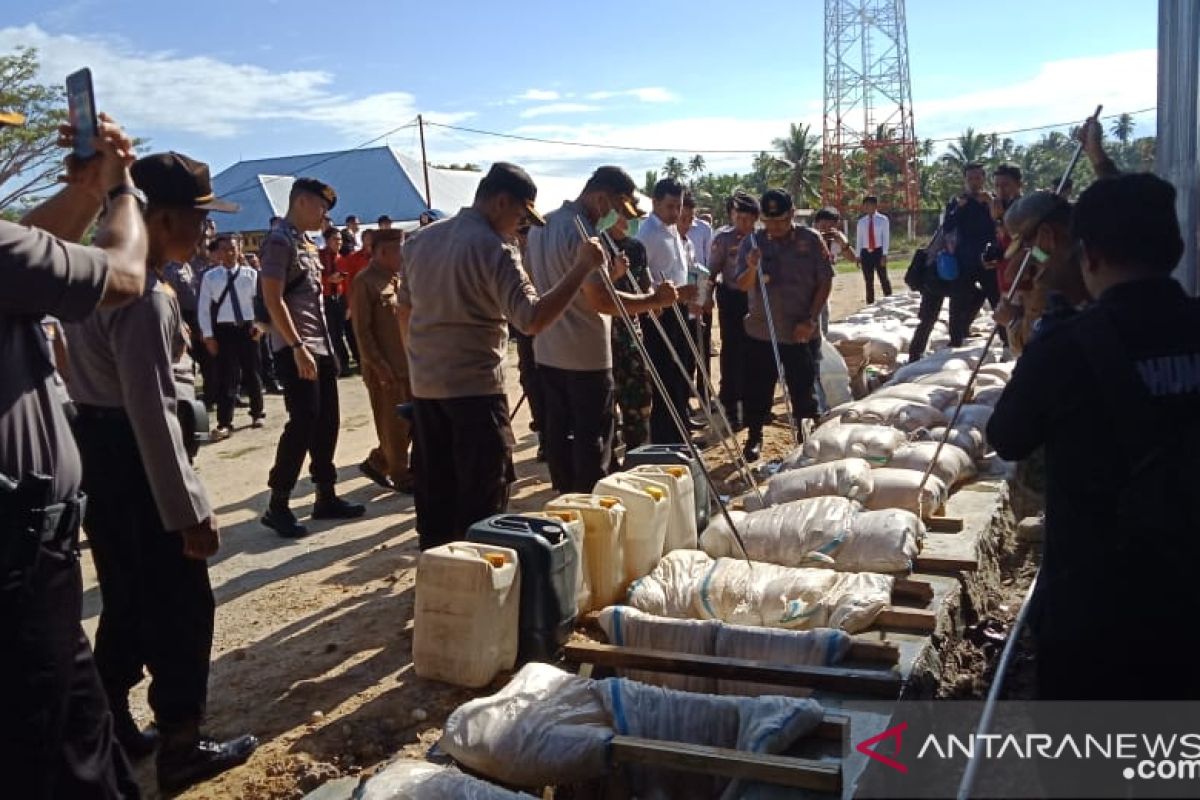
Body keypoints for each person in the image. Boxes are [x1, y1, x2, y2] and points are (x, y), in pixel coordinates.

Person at [66, 151, 259, 793]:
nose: (205, 235)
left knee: (126, 595)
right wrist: (189, 511)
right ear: (166, 218)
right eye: (199, 221)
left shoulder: (92, 279)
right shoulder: (143, 296)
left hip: (101, 456)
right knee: (182, 607)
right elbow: (151, 413)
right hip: (138, 457)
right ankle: (183, 742)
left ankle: (112, 718)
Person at [988, 172, 1200, 700]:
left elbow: (1007, 435)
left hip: (1094, 605)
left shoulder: (1068, 347)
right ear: (1174, 249)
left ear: (1090, 255)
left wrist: (1042, 339)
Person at [1, 110, 147, 800]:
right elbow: (123, 275)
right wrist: (123, 193)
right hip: (14, 566)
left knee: (82, 737)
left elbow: (26, 245)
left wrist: (86, 189)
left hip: (32, 560)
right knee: (52, 763)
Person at [398, 162, 606, 549]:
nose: (520, 227)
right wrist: (581, 268)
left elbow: (405, 313)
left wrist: (418, 368)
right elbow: (531, 319)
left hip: (427, 393)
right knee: (483, 508)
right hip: (475, 393)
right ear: (501, 202)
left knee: (436, 498)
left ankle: (438, 580)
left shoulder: (419, 242)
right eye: (520, 216)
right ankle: (478, 590)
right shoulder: (494, 248)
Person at [527, 165, 675, 493]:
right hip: (586, 357)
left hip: (549, 352)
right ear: (600, 196)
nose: (614, 217)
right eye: (614, 208)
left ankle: (567, 502)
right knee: (592, 445)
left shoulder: (542, 225)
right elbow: (602, 301)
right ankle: (592, 510)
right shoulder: (583, 232)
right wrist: (653, 299)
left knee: (560, 440)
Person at [260, 179, 365, 538]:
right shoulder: (279, 240)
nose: (324, 216)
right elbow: (273, 299)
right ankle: (278, 503)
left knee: (328, 422)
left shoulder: (305, 242)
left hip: (318, 346)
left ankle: (326, 494)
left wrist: (326, 349)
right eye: (321, 207)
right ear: (302, 202)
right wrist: (296, 346)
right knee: (302, 422)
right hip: (296, 348)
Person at [734, 189, 833, 461]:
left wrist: (811, 320)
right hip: (761, 332)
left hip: (800, 331)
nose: (775, 228)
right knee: (756, 390)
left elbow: (825, 281)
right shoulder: (751, 243)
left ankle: (806, 440)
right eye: (769, 221)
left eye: (780, 221)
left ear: (792, 214)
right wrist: (752, 267)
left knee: (803, 390)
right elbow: (741, 284)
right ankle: (754, 437)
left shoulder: (810, 240)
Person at [349, 229, 414, 493]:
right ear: (383, 252)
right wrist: (377, 365)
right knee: (393, 425)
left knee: (413, 421)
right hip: (385, 368)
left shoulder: (397, 279)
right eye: (399, 250)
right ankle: (402, 476)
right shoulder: (365, 281)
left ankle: (377, 463)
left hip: (407, 364)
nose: (404, 255)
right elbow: (361, 330)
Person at [636, 178, 700, 443]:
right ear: (655, 203)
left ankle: (680, 429)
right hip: (659, 316)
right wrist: (665, 296)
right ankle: (666, 438)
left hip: (681, 311)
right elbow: (641, 280)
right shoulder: (646, 235)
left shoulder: (673, 230)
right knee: (665, 374)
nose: (676, 213)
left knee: (682, 371)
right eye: (671, 206)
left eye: (679, 206)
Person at [908, 163, 994, 360]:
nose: (974, 182)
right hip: (949, 265)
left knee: (973, 298)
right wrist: (959, 209)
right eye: (970, 178)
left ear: (983, 179)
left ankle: (959, 335)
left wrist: (990, 204)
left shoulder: (988, 202)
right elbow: (947, 226)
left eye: (978, 178)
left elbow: (996, 226)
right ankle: (917, 353)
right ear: (965, 180)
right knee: (931, 313)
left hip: (979, 262)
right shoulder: (957, 203)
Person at [198, 234, 264, 440]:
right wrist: (208, 336)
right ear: (217, 252)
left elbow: (259, 303)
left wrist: (260, 325)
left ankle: (257, 413)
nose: (229, 253)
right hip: (224, 330)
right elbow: (204, 309)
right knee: (227, 376)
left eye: (233, 248)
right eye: (224, 249)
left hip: (248, 328)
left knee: (252, 371)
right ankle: (224, 422)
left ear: (239, 250)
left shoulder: (250, 274)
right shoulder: (210, 277)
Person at [710, 191, 759, 430]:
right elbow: (711, 271)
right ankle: (730, 404)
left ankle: (753, 403)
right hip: (731, 300)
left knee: (754, 352)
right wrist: (703, 298)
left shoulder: (762, 239)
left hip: (755, 301)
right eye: (739, 218)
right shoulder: (724, 239)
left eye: (748, 219)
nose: (743, 224)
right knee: (731, 351)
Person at [609, 213, 655, 455]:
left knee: (639, 394)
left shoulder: (636, 248)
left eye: (633, 217)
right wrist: (614, 275)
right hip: (605, 336)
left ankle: (637, 452)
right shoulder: (598, 245)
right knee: (608, 397)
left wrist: (654, 298)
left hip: (632, 334)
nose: (629, 222)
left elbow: (645, 283)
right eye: (624, 217)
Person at [680, 191, 715, 416]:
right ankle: (684, 403)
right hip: (679, 306)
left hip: (698, 299)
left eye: (690, 217)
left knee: (701, 351)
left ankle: (703, 394)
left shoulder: (701, 232)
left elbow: (704, 268)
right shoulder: (663, 236)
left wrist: (703, 299)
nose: (687, 222)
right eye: (683, 217)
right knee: (683, 358)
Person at [319, 227, 354, 376]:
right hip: (325, 298)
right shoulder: (319, 256)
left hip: (340, 299)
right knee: (331, 334)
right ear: (327, 241)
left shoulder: (341, 259)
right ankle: (336, 364)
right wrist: (327, 280)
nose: (338, 242)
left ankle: (343, 364)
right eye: (335, 239)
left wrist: (349, 305)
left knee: (340, 333)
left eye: (340, 239)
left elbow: (347, 284)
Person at [854, 195, 891, 303]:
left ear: (875, 206)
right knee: (868, 281)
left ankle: (889, 300)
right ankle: (870, 303)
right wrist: (858, 255)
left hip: (878, 251)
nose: (867, 207)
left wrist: (884, 254)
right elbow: (859, 239)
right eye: (865, 205)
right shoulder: (861, 222)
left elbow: (886, 237)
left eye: (869, 205)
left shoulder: (883, 220)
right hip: (866, 252)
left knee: (883, 278)